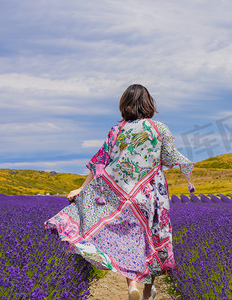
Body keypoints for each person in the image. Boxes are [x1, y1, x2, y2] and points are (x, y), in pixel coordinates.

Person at [44, 84, 195, 300]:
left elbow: (99, 163)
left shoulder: (117, 130)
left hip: (122, 197)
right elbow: (170, 158)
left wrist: (81, 188)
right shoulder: (159, 128)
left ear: (124, 104)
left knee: (129, 242)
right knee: (150, 241)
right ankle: (145, 292)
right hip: (151, 197)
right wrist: (185, 165)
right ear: (149, 103)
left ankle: (132, 285)